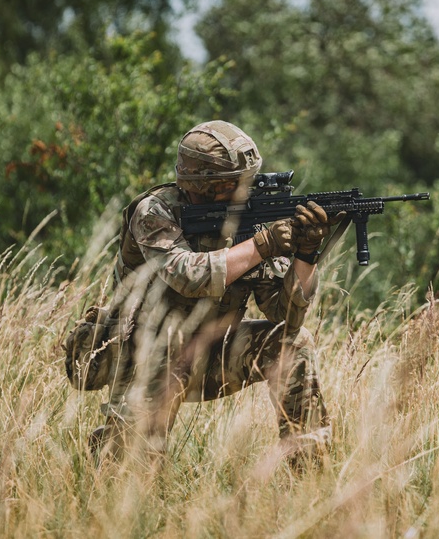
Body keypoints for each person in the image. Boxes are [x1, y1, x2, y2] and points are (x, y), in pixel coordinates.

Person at [88, 120, 336, 464]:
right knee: (128, 477)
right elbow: (188, 276)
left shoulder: (247, 220)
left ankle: (309, 468)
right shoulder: (156, 212)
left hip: (210, 357)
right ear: (201, 184)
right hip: (145, 360)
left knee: (292, 343)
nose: (244, 191)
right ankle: (114, 450)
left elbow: (285, 317)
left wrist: (306, 257)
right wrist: (262, 245)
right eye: (233, 184)